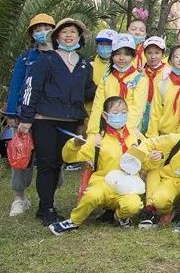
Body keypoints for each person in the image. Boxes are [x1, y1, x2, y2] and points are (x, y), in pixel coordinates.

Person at [18, 18, 97, 226]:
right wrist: (26, 118)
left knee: (58, 164)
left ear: (79, 38)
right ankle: (48, 209)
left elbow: (87, 91)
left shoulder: (83, 64)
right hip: (44, 120)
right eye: (65, 32)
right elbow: (31, 88)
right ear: (57, 36)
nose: (69, 35)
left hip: (70, 121)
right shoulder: (47, 59)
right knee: (46, 164)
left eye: (73, 32)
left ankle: (44, 206)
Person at [47, 96, 144, 234]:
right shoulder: (98, 138)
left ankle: (120, 217)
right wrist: (73, 145)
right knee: (92, 195)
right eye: (115, 113)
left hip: (127, 184)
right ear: (105, 115)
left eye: (124, 112)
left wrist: (156, 156)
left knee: (133, 204)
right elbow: (69, 157)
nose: (120, 116)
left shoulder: (135, 135)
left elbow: (147, 157)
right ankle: (74, 221)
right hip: (104, 182)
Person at [4, 13, 55, 217]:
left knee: (52, 159)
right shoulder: (25, 58)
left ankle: (49, 198)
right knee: (22, 155)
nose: (42, 32)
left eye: (46, 28)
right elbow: (16, 85)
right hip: (26, 114)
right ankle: (20, 198)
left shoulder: (61, 55)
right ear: (32, 34)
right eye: (37, 29)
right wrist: (11, 112)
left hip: (51, 115)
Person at [87, 34, 148, 136]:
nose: (121, 58)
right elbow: (98, 106)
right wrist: (92, 132)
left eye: (127, 54)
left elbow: (137, 109)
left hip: (130, 133)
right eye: (118, 54)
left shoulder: (140, 80)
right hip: (106, 130)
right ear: (112, 55)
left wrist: (123, 131)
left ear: (133, 56)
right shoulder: (106, 79)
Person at [146, 45, 180, 137]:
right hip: (165, 136)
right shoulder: (162, 85)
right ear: (170, 61)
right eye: (177, 57)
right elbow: (155, 114)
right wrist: (152, 138)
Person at [140, 36, 169, 133]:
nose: (153, 57)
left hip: (161, 110)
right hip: (143, 109)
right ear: (144, 54)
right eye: (149, 53)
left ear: (163, 54)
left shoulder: (168, 72)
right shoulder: (141, 72)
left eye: (157, 53)